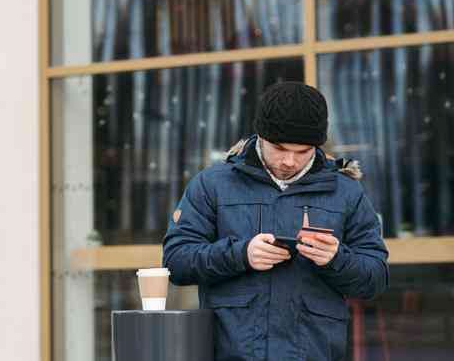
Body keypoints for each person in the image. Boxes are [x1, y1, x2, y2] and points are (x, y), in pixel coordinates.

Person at [163, 82, 388, 361]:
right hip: (230, 353)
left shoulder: (346, 193)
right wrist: (241, 254)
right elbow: (175, 261)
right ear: (261, 136)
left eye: (303, 150)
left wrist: (335, 259)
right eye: (280, 148)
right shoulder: (212, 184)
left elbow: (375, 278)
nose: (290, 161)